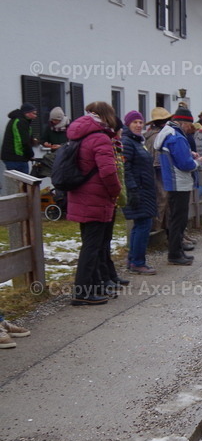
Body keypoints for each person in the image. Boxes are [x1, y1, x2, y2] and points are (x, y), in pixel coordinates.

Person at [66, 102, 122, 306]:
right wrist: (115, 192)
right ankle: (82, 291)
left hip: (81, 196)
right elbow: (108, 171)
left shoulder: (78, 136)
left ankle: (94, 286)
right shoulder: (100, 138)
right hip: (96, 198)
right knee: (92, 246)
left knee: (90, 244)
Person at [151, 107, 199, 265]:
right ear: (183, 122)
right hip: (179, 182)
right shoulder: (176, 137)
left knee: (176, 219)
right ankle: (175, 254)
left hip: (172, 181)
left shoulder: (168, 134)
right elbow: (185, 164)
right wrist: (196, 162)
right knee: (179, 220)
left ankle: (177, 251)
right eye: (188, 124)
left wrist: (188, 154)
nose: (189, 128)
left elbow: (178, 156)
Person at [121, 110, 158, 274]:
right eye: (135, 122)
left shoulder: (138, 141)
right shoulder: (128, 142)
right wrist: (133, 189)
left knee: (140, 225)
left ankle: (133, 259)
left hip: (145, 189)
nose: (138, 125)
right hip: (138, 190)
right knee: (143, 225)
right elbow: (125, 168)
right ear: (128, 124)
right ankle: (138, 261)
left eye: (140, 122)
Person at [2, 103, 37, 174]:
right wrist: (31, 155)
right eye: (33, 113)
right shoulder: (21, 122)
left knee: (14, 182)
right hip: (17, 158)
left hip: (10, 157)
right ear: (27, 113)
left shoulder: (16, 120)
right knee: (24, 183)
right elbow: (25, 142)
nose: (35, 116)